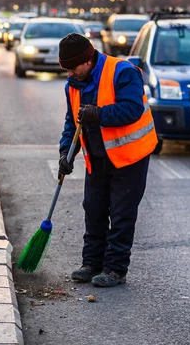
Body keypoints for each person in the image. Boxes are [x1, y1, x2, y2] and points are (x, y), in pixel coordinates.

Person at [58, 33, 157, 287]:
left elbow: (132, 109)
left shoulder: (122, 72)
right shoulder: (73, 84)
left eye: (73, 68)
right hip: (98, 158)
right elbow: (73, 122)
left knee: (122, 214)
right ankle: (91, 263)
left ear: (88, 60)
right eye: (66, 69)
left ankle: (115, 269)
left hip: (130, 157)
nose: (70, 74)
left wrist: (98, 114)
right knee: (94, 210)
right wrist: (66, 153)